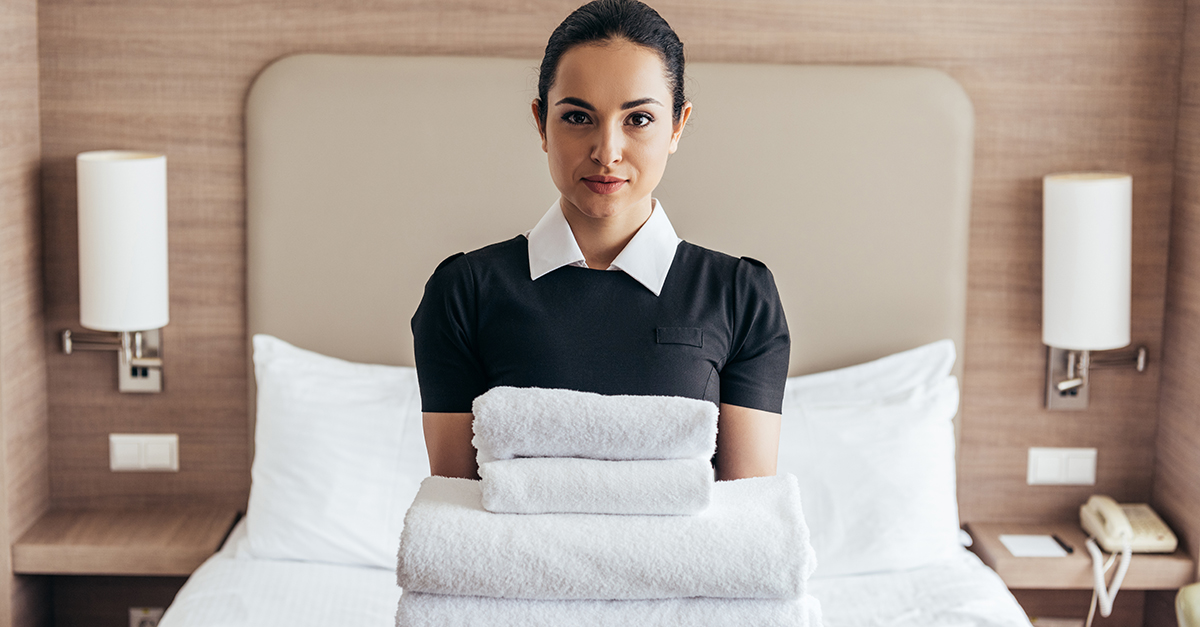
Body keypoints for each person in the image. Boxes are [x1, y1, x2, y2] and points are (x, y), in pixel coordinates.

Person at [411, 0, 789, 482]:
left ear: (677, 126)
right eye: (577, 117)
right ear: (541, 122)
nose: (607, 151)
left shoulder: (738, 296)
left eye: (639, 119)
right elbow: (456, 511)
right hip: (511, 560)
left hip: (680, 562)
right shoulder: (465, 293)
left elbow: (745, 515)